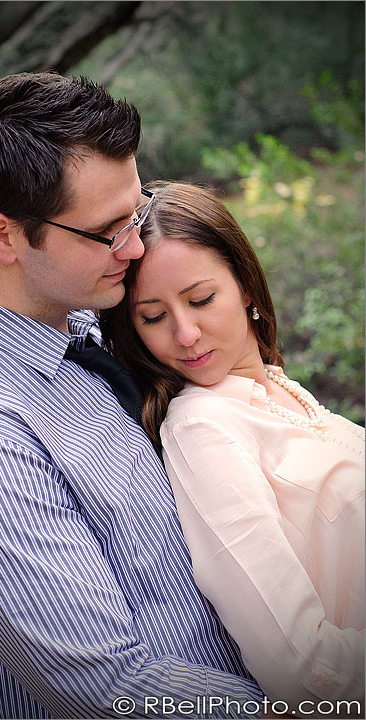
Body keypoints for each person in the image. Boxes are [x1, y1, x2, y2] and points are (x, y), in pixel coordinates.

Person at [0, 74, 263, 719]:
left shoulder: (96, 322)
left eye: (137, 213)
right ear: (4, 237)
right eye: (107, 231)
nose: (138, 246)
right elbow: (109, 688)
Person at [99, 181, 365, 711]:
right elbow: (301, 666)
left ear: (245, 285)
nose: (187, 333)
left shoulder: (280, 390)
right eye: (153, 316)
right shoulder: (203, 429)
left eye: (201, 300)